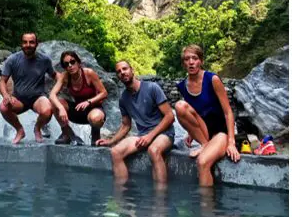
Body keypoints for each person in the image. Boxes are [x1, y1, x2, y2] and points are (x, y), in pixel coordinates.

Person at [96, 60, 175, 185]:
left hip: (164, 133)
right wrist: (111, 141)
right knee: (115, 152)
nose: (122, 72)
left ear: (132, 70)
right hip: (142, 135)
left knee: (154, 150)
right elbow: (126, 125)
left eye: (125, 69)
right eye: (119, 71)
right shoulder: (123, 99)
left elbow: (170, 117)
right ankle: (123, 198)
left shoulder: (152, 88)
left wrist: (150, 136)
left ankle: (161, 200)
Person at [174, 44, 240, 187]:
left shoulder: (212, 79)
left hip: (221, 133)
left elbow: (228, 112)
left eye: (195, 58)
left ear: (201, 61)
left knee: (202, 162)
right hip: (205, 133)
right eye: (187, 59)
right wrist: (191, 133)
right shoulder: (182, 86)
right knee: (179, 106)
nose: (191, 62)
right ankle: (205, 144)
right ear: (183, 63)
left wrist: (231, 142)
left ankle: (207, 207)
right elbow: (193, 112)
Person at [0, 32, 56, 145]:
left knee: (48, 110)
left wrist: (65, 79)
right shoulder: (12, 59)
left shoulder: (45, 60)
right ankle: (20, 130)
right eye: (25, 42)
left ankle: (37, 128)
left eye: (31, 42)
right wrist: (6, 95)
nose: (28, 45)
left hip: (38, 98)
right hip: (19, 99)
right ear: (21, 44)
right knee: (3, 108)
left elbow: (55, 75)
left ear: (37, 44)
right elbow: (2, 81)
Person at [49, 50, 108, 145]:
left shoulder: (89, 73)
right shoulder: (65, 76)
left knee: (96, 118)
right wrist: (61, 108)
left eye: (72, 62)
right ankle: (67, 133)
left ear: (78, 62)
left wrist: (89, 102)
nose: (70, 65)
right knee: (55, 103)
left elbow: (104, 93)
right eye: (66, 64)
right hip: (78, 110)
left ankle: (95, 134)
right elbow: (52, 95)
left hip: (94, 109)